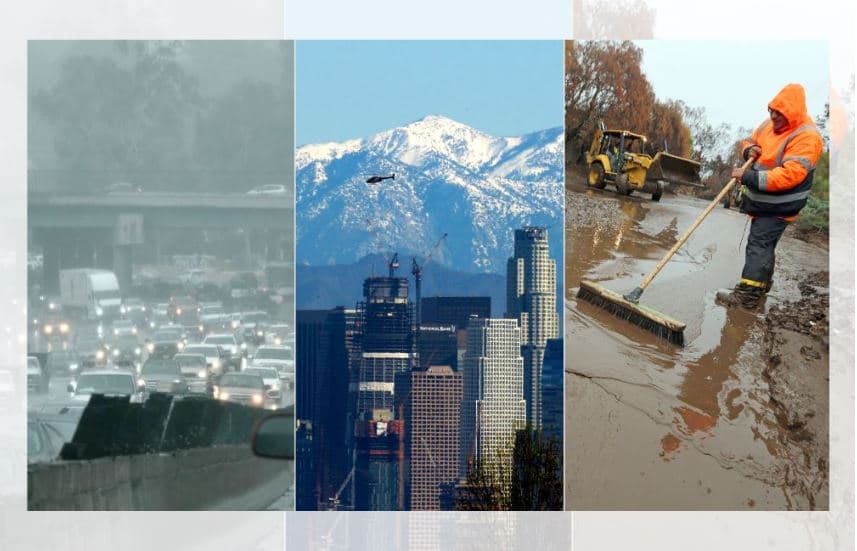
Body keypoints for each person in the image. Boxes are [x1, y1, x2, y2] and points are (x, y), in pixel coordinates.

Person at [717, 83, 823, 309]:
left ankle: (747, 295)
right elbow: (751, 142)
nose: (773, 116)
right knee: (765, 245)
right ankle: (761, 285)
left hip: (780, 206)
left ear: (792, 113)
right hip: (762, 203)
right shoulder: (767, 125)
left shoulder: (807, 136)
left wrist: (748, 177)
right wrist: (748, 151)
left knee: (759, 244)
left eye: (779, 113)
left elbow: (790, 175)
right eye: (771, 110)